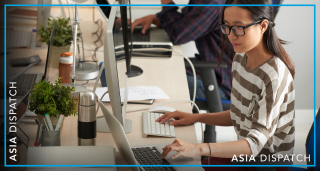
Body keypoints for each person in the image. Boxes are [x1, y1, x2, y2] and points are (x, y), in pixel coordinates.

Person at [155, 0, 295, 170]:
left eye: (238, 27)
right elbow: (239, 115)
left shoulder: (274, 75)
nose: (231, 35)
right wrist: (195, 117)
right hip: (247, 157)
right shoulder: (241, 58)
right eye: (226, 27)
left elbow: (254, 144)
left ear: (263, 26)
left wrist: (199, 148)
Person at [132, 0, 235, 101]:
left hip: (219, 83)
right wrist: (153, 18)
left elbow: (177, 35)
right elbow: (184, 23)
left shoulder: (212, 3)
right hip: (210, 70)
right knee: (149, 67)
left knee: (150, 77)